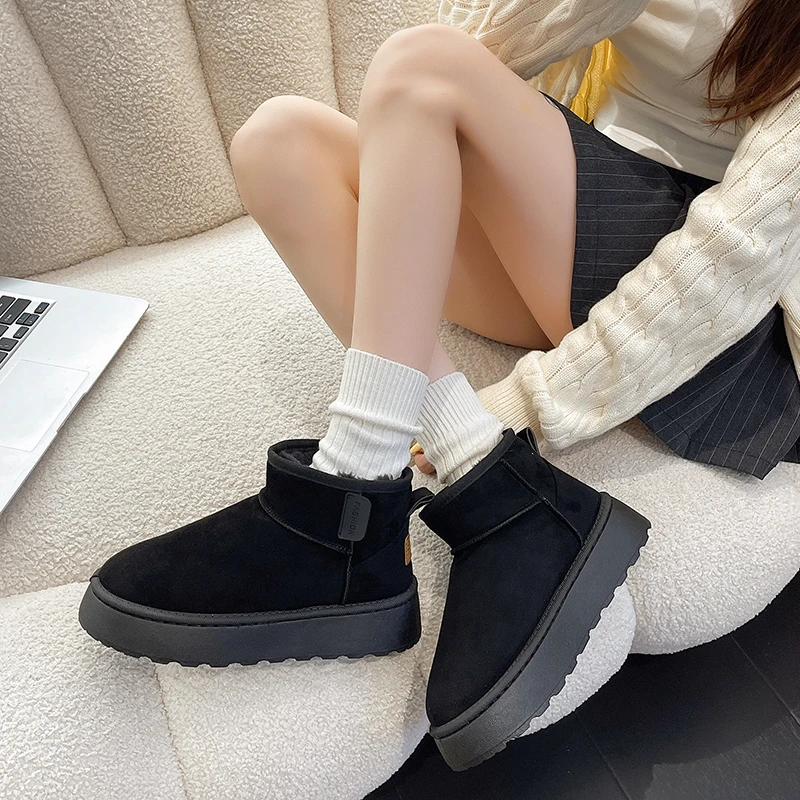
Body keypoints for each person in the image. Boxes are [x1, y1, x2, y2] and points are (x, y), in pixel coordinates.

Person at [77, 0, 800, 773]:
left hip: (719, 312)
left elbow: (739, 253)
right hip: (567, 237)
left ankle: (352, 488)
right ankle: (488, 480)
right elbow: (476, 58)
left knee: (423, 64)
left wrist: (531, 402)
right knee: (278, 143)